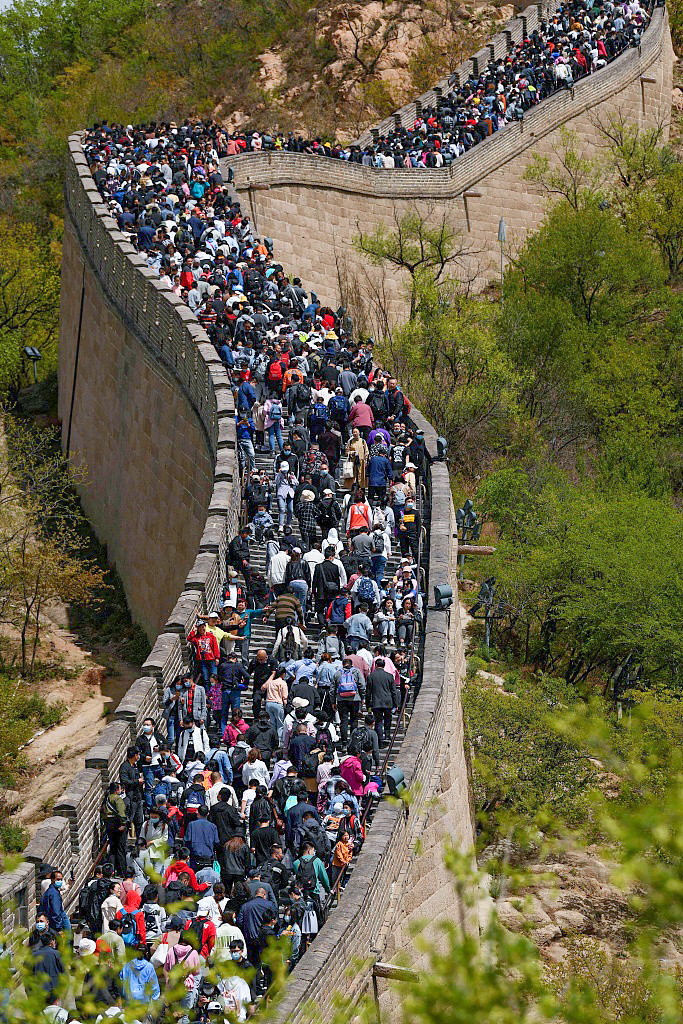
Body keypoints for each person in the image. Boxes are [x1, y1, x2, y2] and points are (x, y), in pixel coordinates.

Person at [102, 781, 129, 875]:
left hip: (109, 825)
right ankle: (122, 871)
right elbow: (121, 813)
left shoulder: (107, 799)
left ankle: (111, 870)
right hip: (118, 824)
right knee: (121, 848)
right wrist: (123, 824)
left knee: (113, 848)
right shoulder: (117, 799)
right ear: (117, 790)